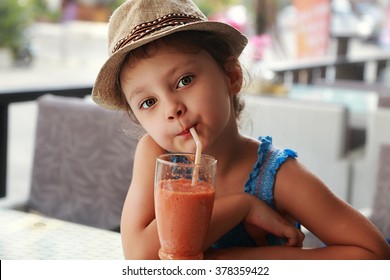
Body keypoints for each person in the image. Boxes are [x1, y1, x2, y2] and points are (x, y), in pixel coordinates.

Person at [92, 0, 390, 260]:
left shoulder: (275, 175)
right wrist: (241, 206)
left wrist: (228, 261)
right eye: (148, 102)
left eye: (184, 80)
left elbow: (373, 254)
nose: (171, 109)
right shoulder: (157, 156)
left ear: (231, 76)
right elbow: (140, 257)